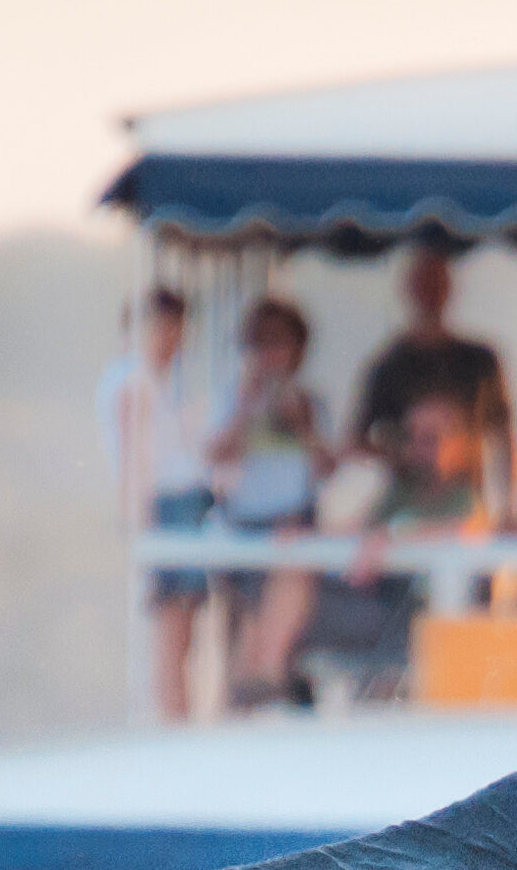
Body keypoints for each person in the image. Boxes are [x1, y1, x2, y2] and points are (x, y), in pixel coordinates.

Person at [291, 387, 495, 698]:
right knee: (286, 585)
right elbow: (358, 533)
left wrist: (395, 537)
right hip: (377, 607)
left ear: (461, 442)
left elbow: (470, 530)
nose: (419, 447)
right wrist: (304, 535)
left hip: (419, 621)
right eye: (411, 436)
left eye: (432, 436)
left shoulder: (464, 497)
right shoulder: (400, 491)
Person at [95, 286, 215, 719]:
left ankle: (178, 715)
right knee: (172, 629)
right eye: (163, 328)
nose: (173, 339)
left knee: (183, 633)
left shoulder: (158, 381)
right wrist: (142, 524)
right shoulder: (134, 381)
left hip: (182, 505)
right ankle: (174, 723)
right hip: (167, 509)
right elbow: (135, 462)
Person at [208, 297, 335, 708]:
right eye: (261, 345)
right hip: (244, 525)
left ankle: (268, 676)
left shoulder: (310, 403)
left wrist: (302, 426)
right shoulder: (233, 398)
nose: (270, 355)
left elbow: (326, 467)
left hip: (293, 522)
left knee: (283, 599)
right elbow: (216, 454)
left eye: (280, 344)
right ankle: (248, 693)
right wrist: (247, 409)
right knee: (242, 627)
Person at [349, 244, 517, 523]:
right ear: (408, 289)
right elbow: (355, 441)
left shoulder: (481, 361)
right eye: (423, 283)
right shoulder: (389, 364)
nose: (430, 292)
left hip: (464, 504)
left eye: (436, 282)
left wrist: (509, 508)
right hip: (404, 503)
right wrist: (406, 453)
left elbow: (505, 437)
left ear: (450, 288)